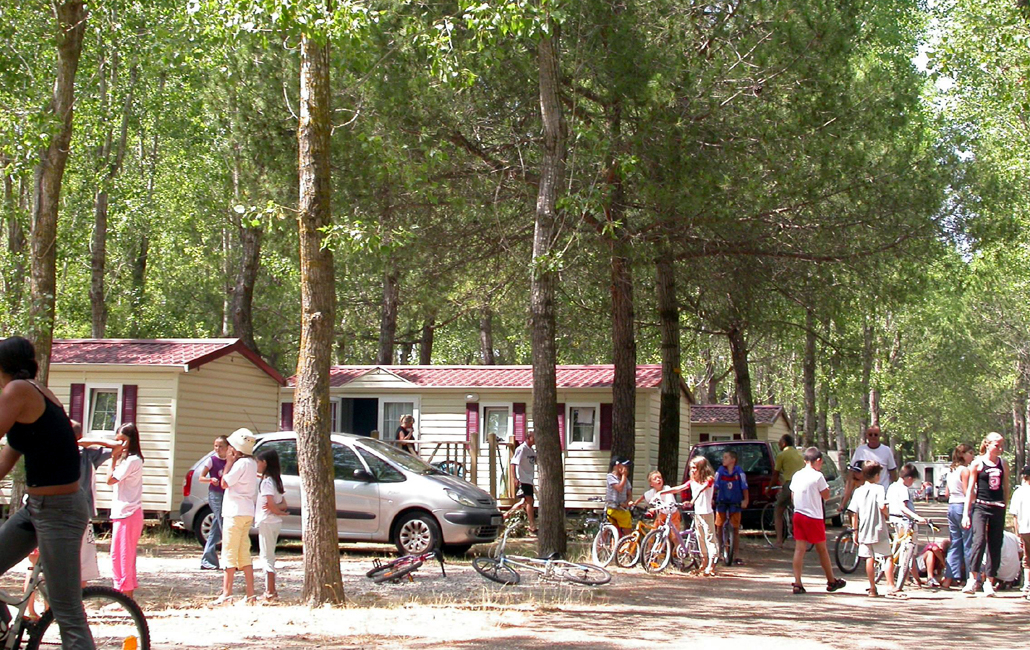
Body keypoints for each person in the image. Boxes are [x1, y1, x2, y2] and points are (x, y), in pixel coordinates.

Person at [0, 336, 94, 649]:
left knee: (66, 609)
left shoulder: (19, 391)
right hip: (36, 507)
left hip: (61, 511)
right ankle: (4, 632)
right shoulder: (31, 396)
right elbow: (5, 459)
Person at [789, 447, 846, 595]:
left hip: (798, 514)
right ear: (818, 461)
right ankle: (831, 580)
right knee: (822, 549)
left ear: (805, 460)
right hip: (813, 516)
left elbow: (792, 495)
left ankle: (797, 582)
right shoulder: (818, 476)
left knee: (799, 549)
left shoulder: (797, 475)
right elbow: (826, 495)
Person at [214, 428, 259, 605]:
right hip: (247, 510)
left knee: (230, 552)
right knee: (244, 552)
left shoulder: (239, 464)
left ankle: (227, 593)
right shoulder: (252, 463)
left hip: (234, 511)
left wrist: (228, 463)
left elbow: (225, 482)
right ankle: (250, 594)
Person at [962, 432, 1009, 597]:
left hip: (998, 507)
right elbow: (970, 490)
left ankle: (990, 580)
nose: (1000, 448)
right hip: (981, 506)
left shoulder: (1003, 464)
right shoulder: (977, 464)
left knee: (995, 544)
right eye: (997, 445)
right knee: (979, 540)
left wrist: (1006, 506)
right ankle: (972, 578)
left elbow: (1006, 486)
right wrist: (966, 514)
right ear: (988, 444)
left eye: (1002, 445)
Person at [107, 423, 145, 598]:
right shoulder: (127, 460)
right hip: (121, 513)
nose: (120, 444)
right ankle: (119, 594)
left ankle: (126, 598)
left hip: (129, 513)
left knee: (124, 557)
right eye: (117, 440)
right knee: (116, 555)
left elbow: (110, 479)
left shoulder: (132, 460)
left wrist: (113, 459)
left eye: (123, 440)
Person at [847, 461, 895, 597]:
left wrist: (854, 530)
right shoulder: (879, 489)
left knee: (869, 558)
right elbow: (882, 506)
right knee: (888, 557)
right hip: (878, 528)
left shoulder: (858, 491)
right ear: (876, 475)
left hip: (864, 530)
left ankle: (872, 587)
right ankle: (890, 585)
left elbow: (853, 512)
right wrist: (887, 515)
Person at [663, 456, 717, 576]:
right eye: (691, 468)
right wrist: (662, 492)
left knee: (710, 539)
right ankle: (704, 563)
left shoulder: (709, 479)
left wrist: (692, 501)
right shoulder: (692, 481)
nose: (692, 470)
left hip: (707, 513)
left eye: (695, 468)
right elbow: (679, 488)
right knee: (700, 538)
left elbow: (701, 490)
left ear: (702, 468)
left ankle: (711, 565)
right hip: (697, 513)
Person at [254, 447, 287, 601]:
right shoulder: (276, 480)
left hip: (267, 520)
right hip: (274, 522)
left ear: (265, 463)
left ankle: (270, 591)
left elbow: (271, 504)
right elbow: (283, 503)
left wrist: (277, 510)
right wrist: (279, 510)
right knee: (269, 555)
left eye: (258, 462)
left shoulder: (267, 482)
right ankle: (270, 590)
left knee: (266, 556)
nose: (257, 465)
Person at [841, 425, 897, 514]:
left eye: (876, 434)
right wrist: (844, 500)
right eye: (870, 434)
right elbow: (851, 473)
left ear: (880, 435)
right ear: (867, 436)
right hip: (864, 490)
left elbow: (893, 472)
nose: (873, 437)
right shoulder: (861, 450)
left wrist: (895, 491)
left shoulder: (886, 450)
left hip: (882, 490)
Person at [942, 443, 974, 589]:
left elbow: (946, 493)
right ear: (963, 455)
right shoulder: (965, 470)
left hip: (952, 506)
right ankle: (970, 578)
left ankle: (949, 578)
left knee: (955, 543)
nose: (972, 457)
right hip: (962, 506)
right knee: (968, 543)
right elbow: (967, 492)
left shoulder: (951, 470)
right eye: (970, 453)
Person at [198, 435, 229, 570]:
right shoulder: (212, 460)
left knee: (215, 528)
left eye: (220, 446)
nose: (217, 449)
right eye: (215, 446)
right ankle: (230, 558)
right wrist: (211, 480)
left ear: (227, 447)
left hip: (226, 494)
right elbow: (201, 477)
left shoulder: (230, 461)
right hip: (215, 495)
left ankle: (207, 559)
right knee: (224, 523)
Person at [771, 434, 805, 548]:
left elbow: (775, 474)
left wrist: (770, 487)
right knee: (798, 510)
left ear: (784, 443)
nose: (779, 443)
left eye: (780, 441)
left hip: (790, 484)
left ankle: (779, 540)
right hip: (803, 484)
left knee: (779, 509)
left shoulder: (782, 455)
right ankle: (801, 537)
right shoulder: (800, 454)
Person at [714, 450, 748, 564]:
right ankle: (719, 552)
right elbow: (714, 485)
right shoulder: (720, 471)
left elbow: (744, 487)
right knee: (719, 526)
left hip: (735, 502)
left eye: (726, 457)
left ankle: (736, 554)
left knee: (735, 528)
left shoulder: (739, 472)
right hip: (722, 501)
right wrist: (712, 499)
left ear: (733, 460)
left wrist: (745, 500)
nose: (723, 459)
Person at [505, 431, 537, 534]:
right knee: (530, 501)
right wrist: (515, 478)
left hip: (529, 479)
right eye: (534, 437)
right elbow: (513, 463)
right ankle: (532, 526)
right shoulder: (521, 449)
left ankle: (505, 515)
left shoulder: (531, 451)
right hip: (523, 479)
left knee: (523, 503)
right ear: (528, 438)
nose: (536, 439)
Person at [1011, 464, 1030, 600]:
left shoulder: (1019, 492)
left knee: (1027, 558)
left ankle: (1027, 585)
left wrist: (1017, 533)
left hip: (1024, 529)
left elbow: (1015, 515)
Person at [606, 458, 634, 536]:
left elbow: (629, 493)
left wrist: (627, 502)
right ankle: (599, 546)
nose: (626, 468)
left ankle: (628, 545)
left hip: (622, 509)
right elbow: (619, 488)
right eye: (624, 466)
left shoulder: (626, 480)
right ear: (617, 466)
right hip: (612, 508)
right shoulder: (610, 477)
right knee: (607, 529)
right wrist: (624, 476)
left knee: (627, 531)